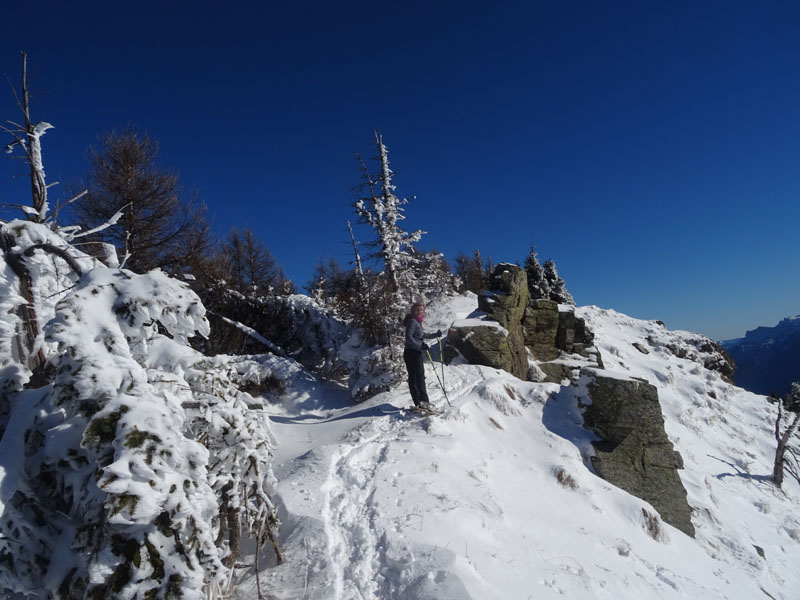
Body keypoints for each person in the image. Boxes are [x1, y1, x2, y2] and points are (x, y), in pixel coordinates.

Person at [403, 302, 442, 409]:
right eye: (418, 310)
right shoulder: (412, 321)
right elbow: (409, 338)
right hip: (411, 352)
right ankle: (420, 402)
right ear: (413, 310)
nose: (420, 312)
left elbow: (422, 335)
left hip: (415, 352)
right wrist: (420, 345)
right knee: (416, 377)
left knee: (419, 376)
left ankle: (423, 401)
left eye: (422, 310)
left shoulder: (417, 321)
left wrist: (436, 335)